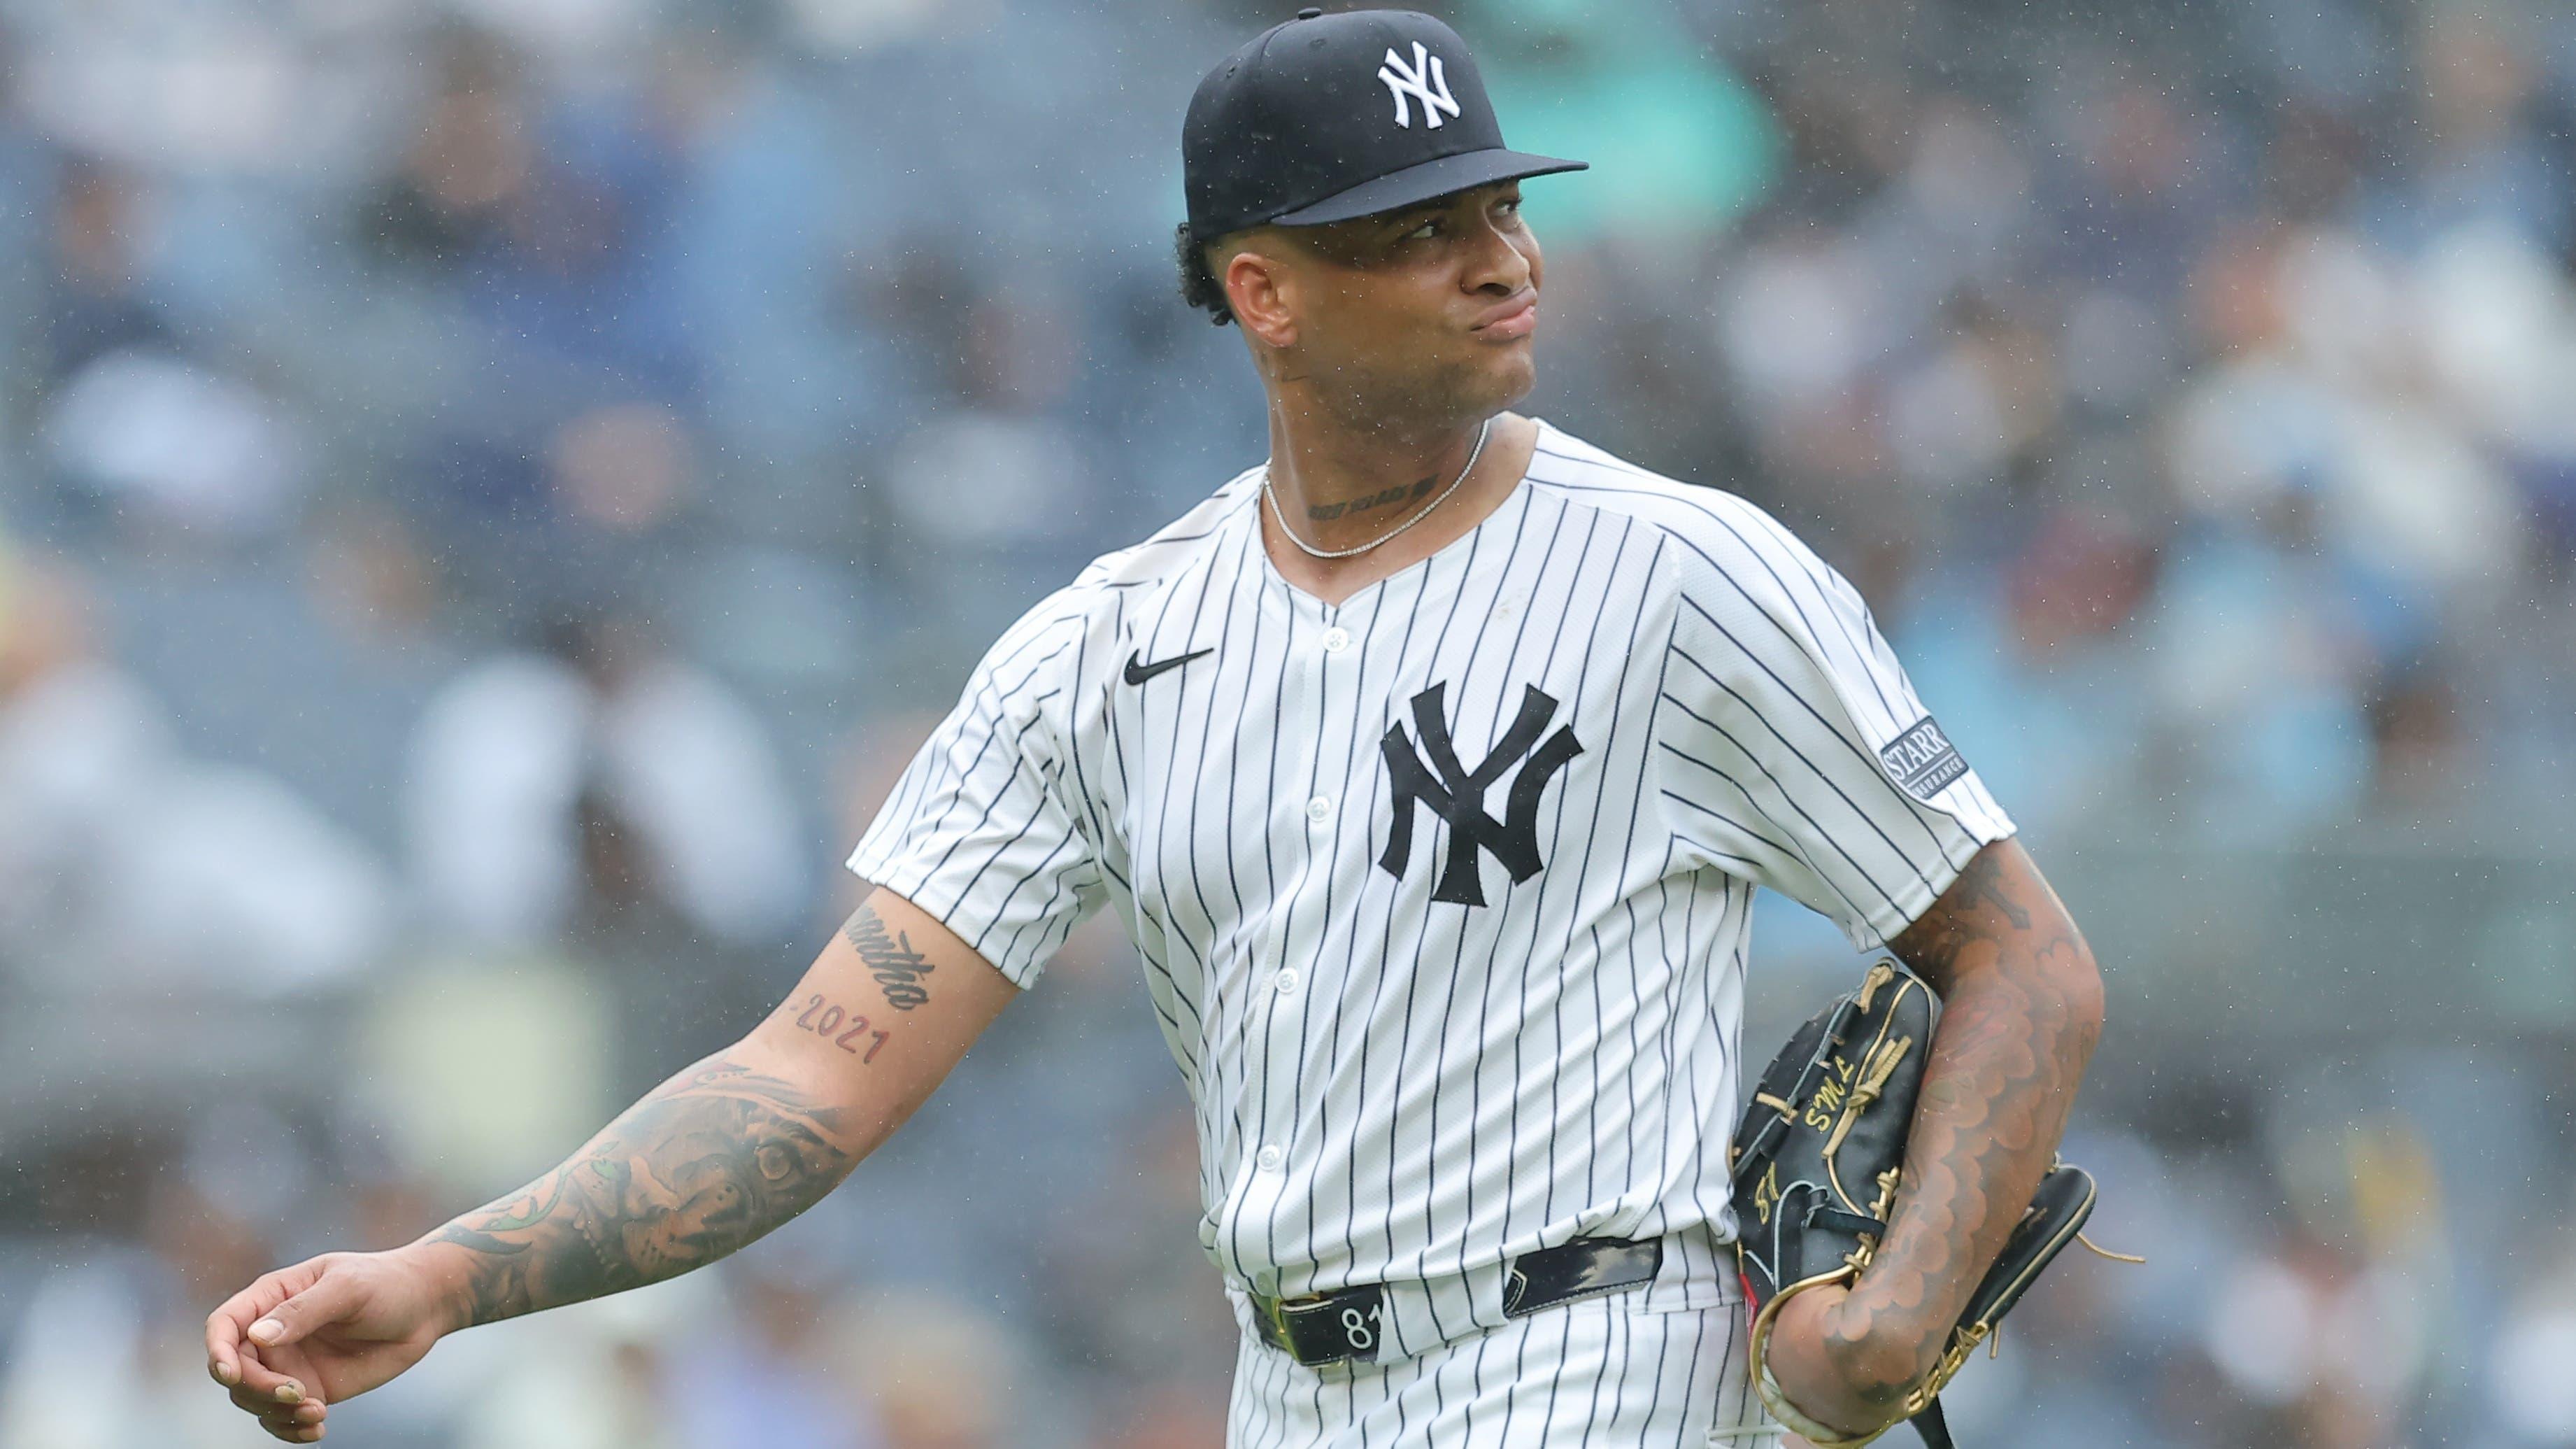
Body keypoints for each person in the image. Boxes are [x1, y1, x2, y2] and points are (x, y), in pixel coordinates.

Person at [205, 10, 2105, 1444]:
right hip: (1287, 1393)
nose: (1502, 259)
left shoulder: (1683, 574)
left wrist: (1884, 1315)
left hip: (1602, 1360)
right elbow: (815, 1074)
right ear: (1261, 289)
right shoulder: (1106, 653)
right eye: (1422, 229)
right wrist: (450, 1276)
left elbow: (2019, 956)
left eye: (1501, 210)